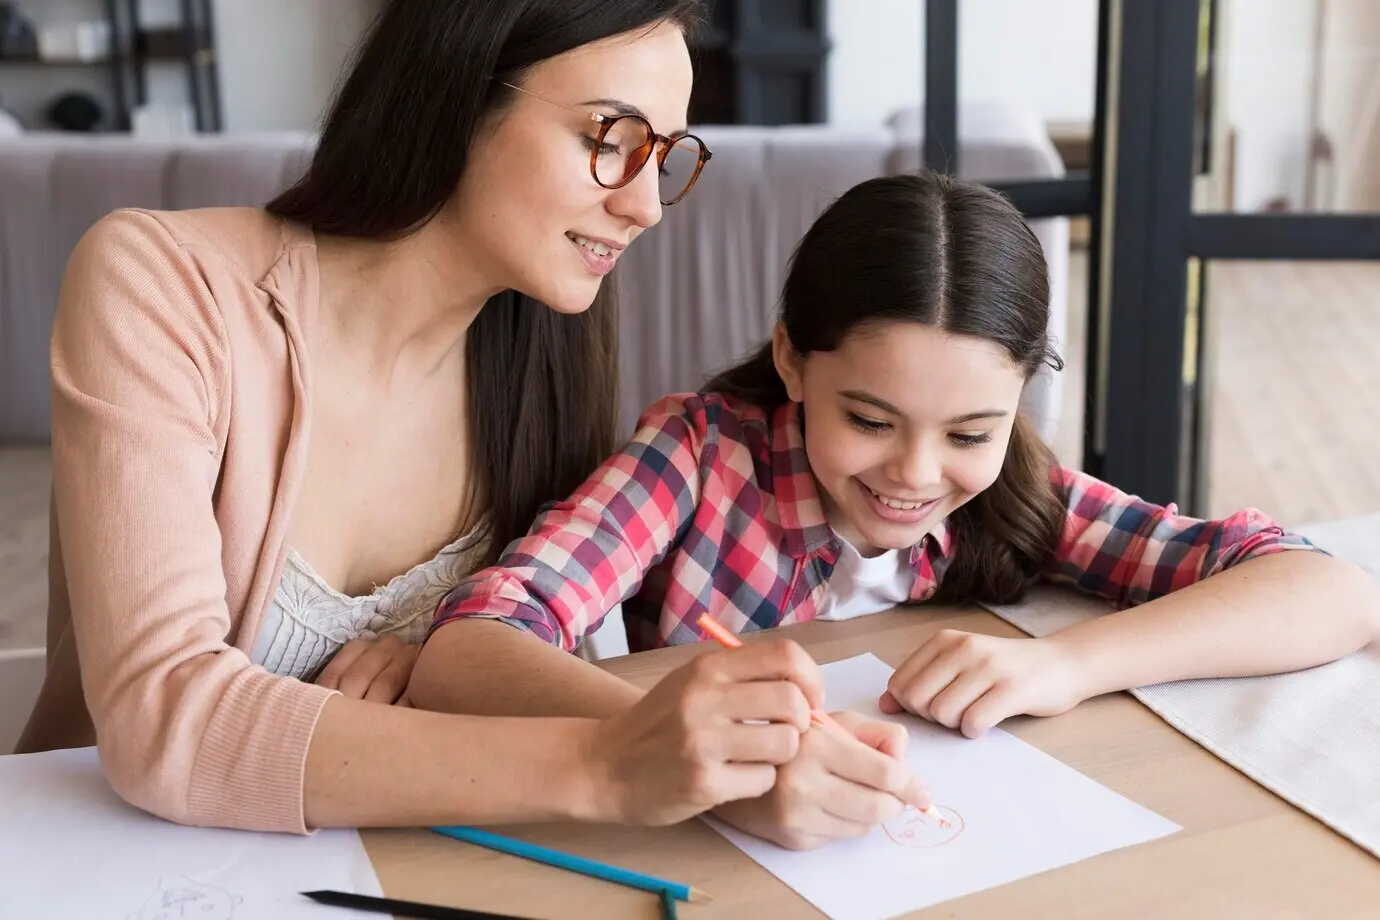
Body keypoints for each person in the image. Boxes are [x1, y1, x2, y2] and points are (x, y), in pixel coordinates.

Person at [13, 0, 889, 837]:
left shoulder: (544, 361)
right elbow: (163, 715)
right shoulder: (163, 284)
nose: (645, 205)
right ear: (457, 93)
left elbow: (533, 642)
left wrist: (448, 663)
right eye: (608, 140)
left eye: (660, 157)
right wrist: (606, 766)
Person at [412, 170, 1380, 850]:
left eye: (969, 431)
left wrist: (1065, 664)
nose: (916, 472)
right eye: (869, 420)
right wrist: (691, 753)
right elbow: (470, 643)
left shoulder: (1012, 488)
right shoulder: (698, 456)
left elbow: (1329, 590)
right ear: (792, 360)